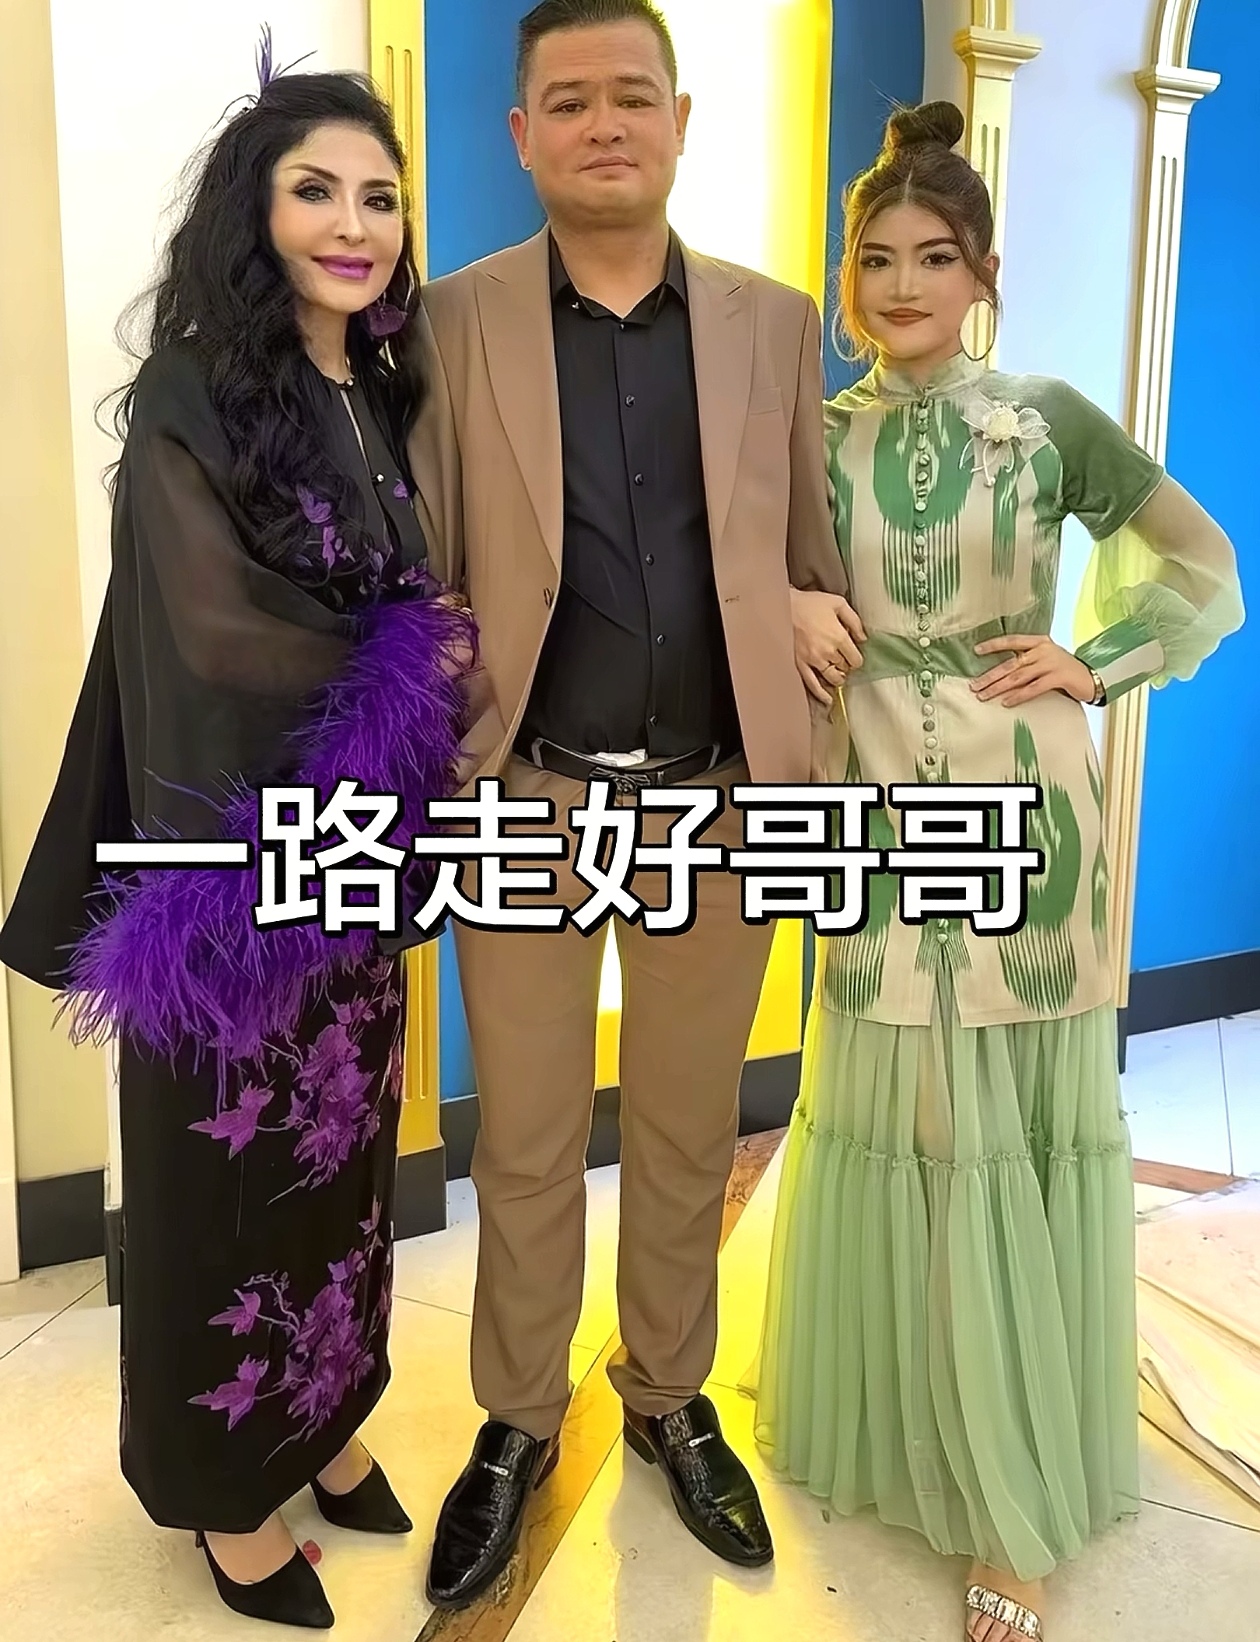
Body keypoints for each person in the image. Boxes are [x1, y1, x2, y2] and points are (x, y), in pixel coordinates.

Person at [753, 102, 1245, 1642]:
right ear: (848, 276)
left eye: (934, 257)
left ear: (982, 275)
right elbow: (728, 578)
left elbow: (1206, 566)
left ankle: (1007, 1498)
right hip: (866, 805)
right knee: (899, 1109)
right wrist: (781, 604)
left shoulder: (1048, 418)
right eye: (876, 258)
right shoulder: (806, 431)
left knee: (1002, 1127)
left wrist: (1099, 660)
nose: (901, 285)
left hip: (1024, 807)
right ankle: (911, 1415)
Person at [0, 64, 473, 1630]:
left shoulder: (383, 388)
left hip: (355, 856)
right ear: (253, 213)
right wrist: (411, 656)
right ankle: (220, 1487)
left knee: (343, 1164)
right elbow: (211, 630)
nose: (354, 223)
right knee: (227, 1175)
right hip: (231, 876)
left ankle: (323, 1418)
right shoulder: (196, 390)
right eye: (315, 189)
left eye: (379, 197)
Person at [407, 0, 862, 1609]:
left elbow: (809, 554)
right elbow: (425, 559)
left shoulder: (771, 322)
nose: (604, 123)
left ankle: (668, 1392)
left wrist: (804, 609)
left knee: (685, 1124)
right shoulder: (450, 323)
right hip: (526, 795)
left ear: (680, 119)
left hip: (717, 803)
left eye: (631, 95)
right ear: (521, 133)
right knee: (527, 1138)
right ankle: (519, 1421)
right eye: (568, 100)